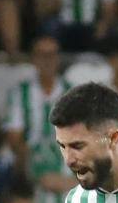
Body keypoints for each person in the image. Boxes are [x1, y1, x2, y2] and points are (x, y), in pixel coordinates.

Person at [4, 36, 71, 168]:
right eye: (42, 55)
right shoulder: (20, 92)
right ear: (34, 59)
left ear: (58, 59)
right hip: (30, 155)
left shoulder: (72, 93)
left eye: (51, 55)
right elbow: (14, 136)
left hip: (63, 157)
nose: (47, 61)